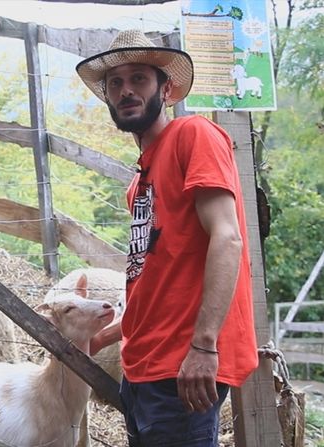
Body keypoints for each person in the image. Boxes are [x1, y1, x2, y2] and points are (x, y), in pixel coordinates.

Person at [76, 30, 258, 446]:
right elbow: (155, 284)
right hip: (142, 368)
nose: (126, 90)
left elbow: (228, 238)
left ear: (166, 89)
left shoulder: (192, 135)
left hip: (183, 367)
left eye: (139, 78)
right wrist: (98, 339)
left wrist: (205, 346)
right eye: (115, 83)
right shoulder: (138, 185)